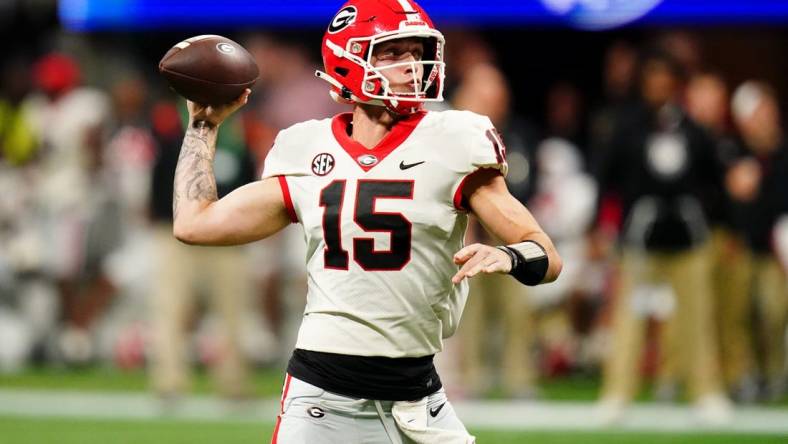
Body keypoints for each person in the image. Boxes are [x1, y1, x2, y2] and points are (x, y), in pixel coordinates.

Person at [171, 1, 561, 443]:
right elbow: (194, 224)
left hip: (419, 398)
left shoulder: (453, 140)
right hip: (322, 399)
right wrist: (202, 127)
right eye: (394, 53)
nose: (412, 66)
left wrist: (508, 255)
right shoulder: (305, 148)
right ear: (348, 60)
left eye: (417, 52)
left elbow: (545, 255)